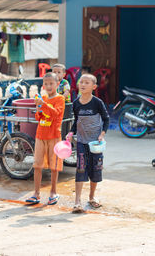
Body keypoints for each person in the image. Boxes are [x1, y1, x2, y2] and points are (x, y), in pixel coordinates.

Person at [67, 74, 109, 213]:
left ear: (94, 86)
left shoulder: (97, 102)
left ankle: (91, 197)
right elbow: (76, 121)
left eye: (86, 82)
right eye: (81, 82)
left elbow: (106, 119)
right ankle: (77, 201)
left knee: (95, 170)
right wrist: (71, 132)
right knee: (80, 169)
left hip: (95, 144)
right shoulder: (76, 103)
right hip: (81, 142)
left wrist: (102, 135)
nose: (83, 85)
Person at [26, 72, 65, 205]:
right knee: (37, 165)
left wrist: (44, 105)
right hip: (40, 135)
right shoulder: (43, 98)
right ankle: (36, 193)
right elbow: (38, 117)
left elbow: (55, 114)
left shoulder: (60, 99)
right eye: (46, 84)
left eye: (51, 83)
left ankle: (53, 192)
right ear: (43, 85)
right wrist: (39, 108)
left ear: (57, 84)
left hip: (54, 135)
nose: (48, 86)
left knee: (54, 165)